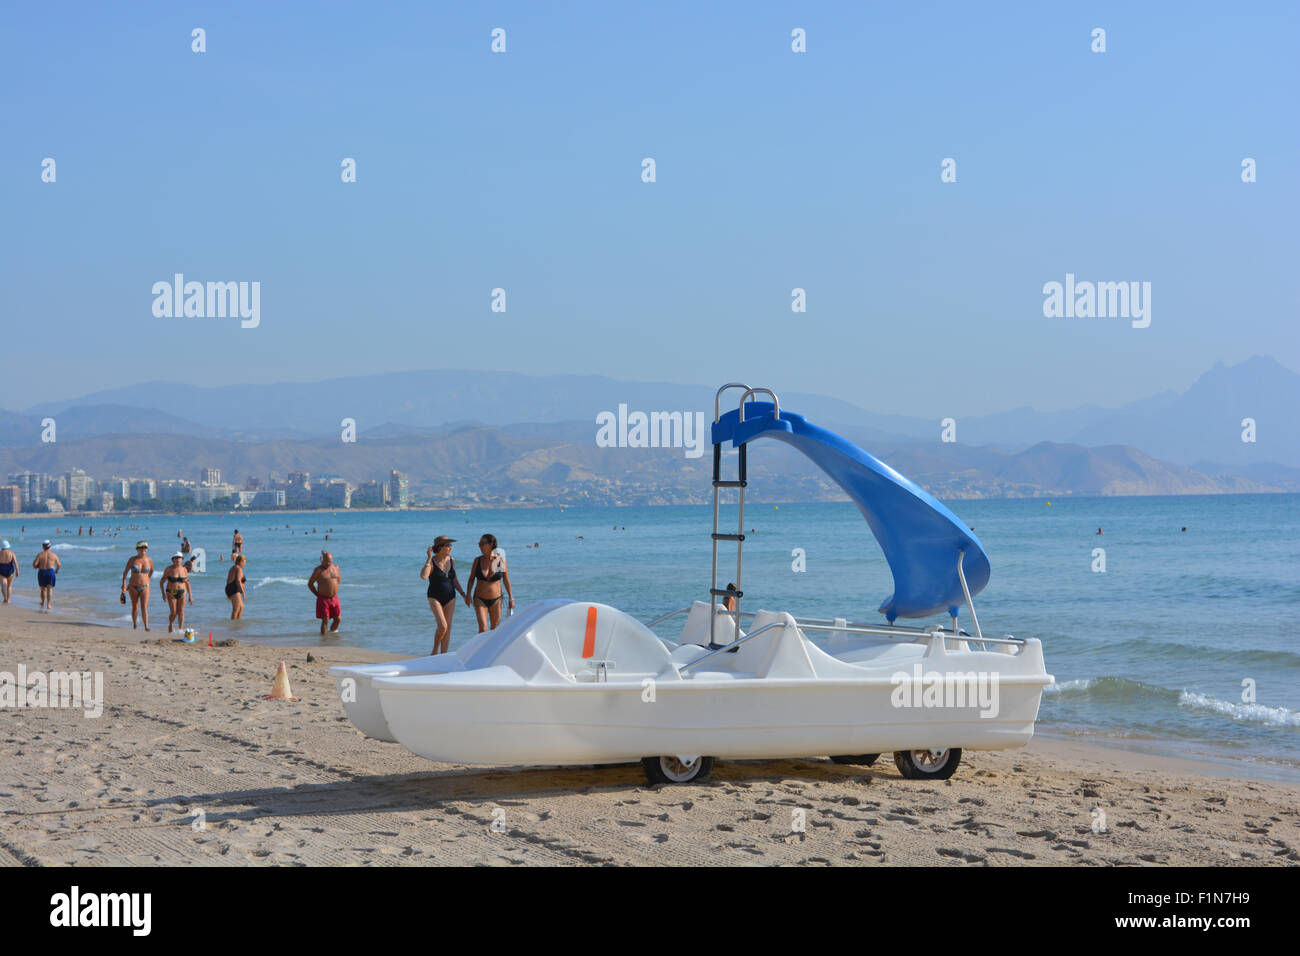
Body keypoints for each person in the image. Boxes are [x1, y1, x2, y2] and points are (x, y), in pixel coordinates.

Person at [421, 536, 467, 655]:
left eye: (450, 545)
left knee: (448, 629)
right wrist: (429, 558)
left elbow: (455, 579)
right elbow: (424, 576)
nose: (450, 547)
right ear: (440, 547)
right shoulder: (432, 561)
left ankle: (444, 656)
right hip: (434, 596)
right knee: (443, 626)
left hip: (450, 596)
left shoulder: (452, 560)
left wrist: (463, 594)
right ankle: (435, 651)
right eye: (447, 545)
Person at [468, 534, 513, 633]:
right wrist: (468, 594)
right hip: (479, 598)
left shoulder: (500, 560)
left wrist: (511, 598)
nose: (480, 546)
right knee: (483, 629)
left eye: (482, 544)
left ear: (491, 544)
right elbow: (471, 579)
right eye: (479, 544)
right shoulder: (477, 560)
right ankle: (481, 648)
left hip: (496, 599)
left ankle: (492, 649)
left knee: (495, 630)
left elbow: (506, 580)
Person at [120, 541, 154, 630]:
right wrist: (124, 585)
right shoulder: (132, 560)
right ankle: (135, 625)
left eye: (145, 548)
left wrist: (147, 580)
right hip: (133, 587)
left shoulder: (149, 560)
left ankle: (146, 626)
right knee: (135, 606)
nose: (143, 549)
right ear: (137, 549)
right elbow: (125, 574)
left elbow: (151, 571)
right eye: (141, 548)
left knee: (144, 607)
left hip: (145, 587)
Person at [308, 550, 341, 635]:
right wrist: (317, 595)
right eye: (326, 562)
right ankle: (324, 639)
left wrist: (334, 589)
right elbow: (310, 584)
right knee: (325, 619)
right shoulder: (318, 570)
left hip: (334, 597)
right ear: (323, 560)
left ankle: (332, 635)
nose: (328, 564)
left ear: (332, 560)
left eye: (330, 562)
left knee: (338, 619)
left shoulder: (336, 568)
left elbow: (338, 580)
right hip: (323, 598)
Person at [160, 552, 193, 633]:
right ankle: (171, 624)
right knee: (174, 612)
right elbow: (162, 581)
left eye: (179, 558)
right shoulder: (169, 569)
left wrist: (190, 596)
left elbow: (187, 583)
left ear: (182, 559)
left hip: (182, 592)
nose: (177, 559)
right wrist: (163, 593)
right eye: (176, 558)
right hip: (171, 593)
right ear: (173, 560)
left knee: (181, 612)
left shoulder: (184, 570)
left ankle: (180, 630)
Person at [33, 541, 61, 610]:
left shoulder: (40, 555)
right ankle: (49, 605)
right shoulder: (54, 555)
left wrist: (36, 565)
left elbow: (35, 564)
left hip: (42, 572)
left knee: (43, 589)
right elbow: (59, 564)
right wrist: (57, 570)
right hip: (50, 572)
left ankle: (42, 602)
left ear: (43, 546)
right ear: (50, 546)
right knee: (50, 589)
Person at [225, 554, 247, 619]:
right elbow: (238, 581)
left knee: (241, 607)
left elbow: (228, 580)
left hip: (231, 588)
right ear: (240, 562)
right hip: (234, 589)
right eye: (244, 562)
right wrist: (243, 593)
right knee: (237, 608)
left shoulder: (233, 568)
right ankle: (233, 625)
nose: (244, 564)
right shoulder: (238, 569)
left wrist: (228, 592)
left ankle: (237, 622)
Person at [0, 540, 18, 604]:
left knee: (3, 586)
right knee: (9, 585)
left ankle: (5, 598)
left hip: (1, 571)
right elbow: (15, 563)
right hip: (10, 571)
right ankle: (8, 599)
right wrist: (17, 572)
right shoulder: (11, 553)